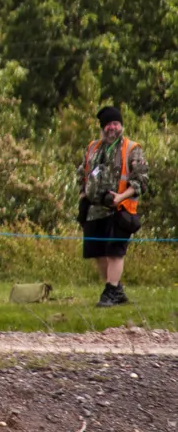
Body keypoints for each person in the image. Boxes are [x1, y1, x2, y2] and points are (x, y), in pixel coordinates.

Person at [78, 106, 147, 307]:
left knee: (115, 251)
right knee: (97, 251)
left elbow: (141, 181)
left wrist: (121, 197)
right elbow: (82, 175)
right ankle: (116, 290)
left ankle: (110, 292)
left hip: (122, 208)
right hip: (95, 209)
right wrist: (83, 200)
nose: (112, 127)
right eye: (108, 124)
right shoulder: (92, 148)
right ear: (102, 128)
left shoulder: (132, 149)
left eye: (115, 123)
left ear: (121, 126)